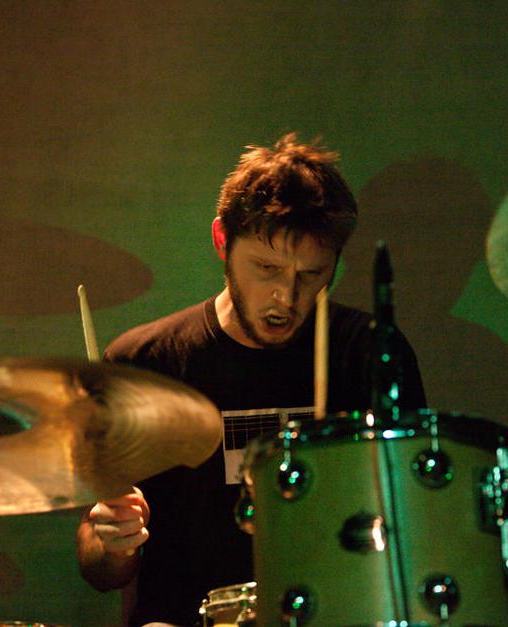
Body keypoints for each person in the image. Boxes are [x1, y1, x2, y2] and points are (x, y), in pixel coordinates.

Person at [75, 133, 426, 626]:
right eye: (267, 268)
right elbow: (99, 568)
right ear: (222, 240)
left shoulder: (370, 354)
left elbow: (416, 530)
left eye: (311, 274)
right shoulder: (143, 362)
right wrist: (113, 541)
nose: (286, 296)